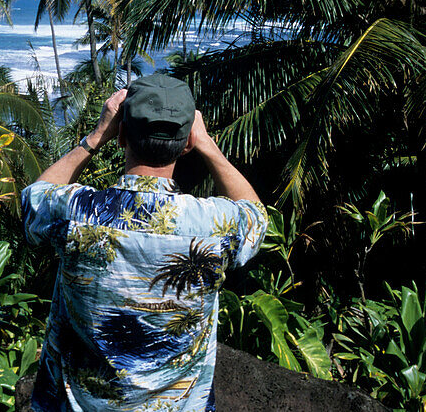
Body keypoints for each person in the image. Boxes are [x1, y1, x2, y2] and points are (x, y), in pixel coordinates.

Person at [21, 73, 267, 411]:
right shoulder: (214, 226)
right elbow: (255, 216)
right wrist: (208, 145)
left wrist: (95, 137)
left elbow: (33, 200)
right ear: (187, 143)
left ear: (121, 134)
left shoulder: (77, 212)